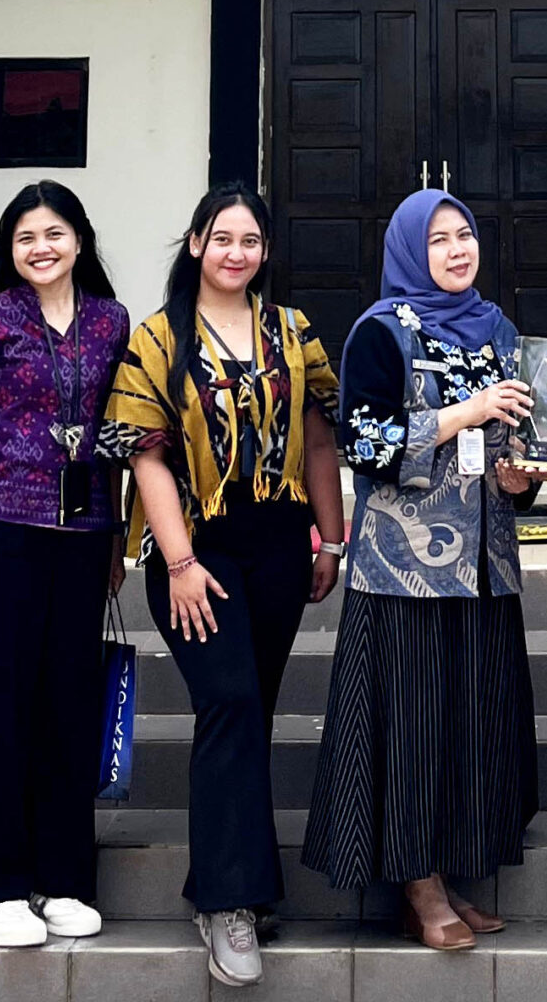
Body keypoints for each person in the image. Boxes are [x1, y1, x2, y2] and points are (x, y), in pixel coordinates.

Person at [104, 185, 346, 990]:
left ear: (266, 251)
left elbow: (318, 440)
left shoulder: (293, 333)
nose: (235, 253)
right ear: (196, 243)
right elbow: (143, 456)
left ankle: (229, 879)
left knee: (251, 711)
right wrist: (177, 563)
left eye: (250, 241)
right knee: (231, 702)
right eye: (221, 238)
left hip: (278, 540)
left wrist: (331, 537)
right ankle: (229, 901)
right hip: (197, 546)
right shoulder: (157, 337)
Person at [303, 189, 541, 948]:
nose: (456, 249)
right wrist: (460, 415)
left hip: (484, 565)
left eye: (465, 234)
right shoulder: (382, 331)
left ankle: (452, 871)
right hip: (403, 570)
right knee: (412, 729)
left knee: (468, 726)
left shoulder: (500, 330)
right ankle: (418, 884)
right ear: (410, 249)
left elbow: (518, 440)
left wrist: (522, 478)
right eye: (437, 239)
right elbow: (363, 444)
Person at [0, 180, 133, 949]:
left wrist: (115, 538)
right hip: (1, 533)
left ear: (79, 239)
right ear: (9, 251)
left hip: (84, 537)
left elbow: (122, 435)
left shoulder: (112, 322)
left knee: (67, 706)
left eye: (53, 233)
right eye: (25, 238)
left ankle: (62, 880)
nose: (40, 248)